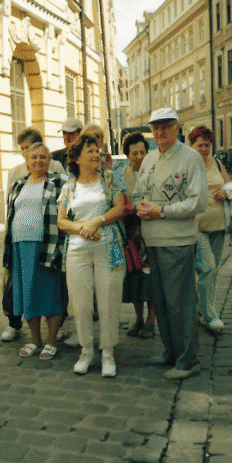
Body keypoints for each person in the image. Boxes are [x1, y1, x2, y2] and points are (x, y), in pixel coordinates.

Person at [131, 107, 207, 381]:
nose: (160, 132)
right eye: (155, 127)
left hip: (177, 241)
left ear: (178, 128)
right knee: (161, 301)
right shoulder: (150, 158)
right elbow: (139, 192)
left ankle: (188, 359)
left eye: (166, 126)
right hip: (153, 240)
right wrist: (139, 204)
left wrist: (161, 212)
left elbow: (197, 202)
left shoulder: (191, 158)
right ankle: (170, 351)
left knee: (180, 302)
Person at [57, 132, 126, 377]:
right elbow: (62, 221)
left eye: (97, 151)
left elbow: (120, 207)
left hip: (108, 248)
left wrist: (98, 220)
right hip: (77, 251)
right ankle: (86, 351)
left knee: (108, 301)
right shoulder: (69, 187)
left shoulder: (108, 179)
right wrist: (83, 228)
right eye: (90, 151)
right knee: (81, 303)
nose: (96, 155)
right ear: (76, 158)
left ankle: (108, 353)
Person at [1, 127, 66, 342]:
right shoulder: (18, 184)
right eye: (33, 157)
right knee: (27, 294)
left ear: (49, 161)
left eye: (43, 157)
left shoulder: (59, 182)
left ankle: (51, 341)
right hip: (20, 247)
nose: (38, 160)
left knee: (49, 293)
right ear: (27, 162)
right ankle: (35, 340)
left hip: (46, 245)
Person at [189, 127, 231, 331]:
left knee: (213, 272)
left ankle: (201, 311)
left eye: (207, 145)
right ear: (192, 146)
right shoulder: (188, 166)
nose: (204, 149)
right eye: (199, 145)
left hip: (219, 226)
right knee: (207, 268)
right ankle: (210, 315)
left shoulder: (217, 163)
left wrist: (225, 191)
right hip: (196, 226)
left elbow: (231, 186)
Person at [121, 132, 156, 338]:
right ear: (127, 155)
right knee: (134, 276)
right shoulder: (121, 174)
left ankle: (151, 320)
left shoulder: (153, 172)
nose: (139, 156)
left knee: (149, 275)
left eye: (142, 151)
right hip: (130, 233)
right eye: (134, 152)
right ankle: (138, 318)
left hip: (150, 230)